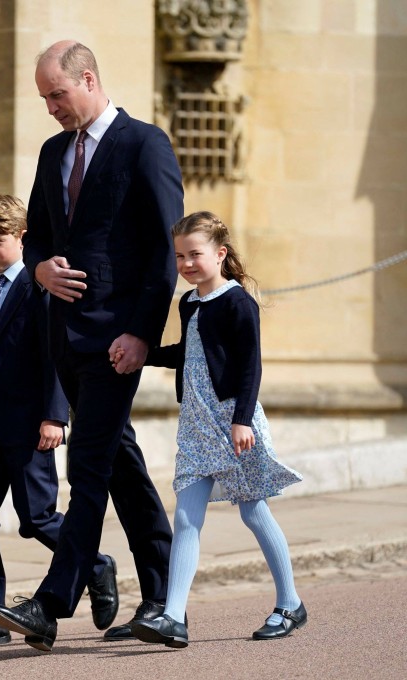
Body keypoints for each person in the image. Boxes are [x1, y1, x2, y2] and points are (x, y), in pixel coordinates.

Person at [0, 40, 181, 651]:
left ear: (88, 80)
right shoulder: (51, 152)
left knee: (88, 465)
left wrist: (142, 334)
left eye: (56, 95)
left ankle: (50, 603)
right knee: (119, 461)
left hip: (117, 341)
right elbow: (38, 238)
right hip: (63, 340)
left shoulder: (144, 144)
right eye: (43, 97)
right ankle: (164, 595)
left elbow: (162, 250)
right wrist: (38, 270)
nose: (49, 108)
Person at [127, 211, 306, 648]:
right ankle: (173, 617)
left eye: (196, 254)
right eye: (180, 257)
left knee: (253, 512)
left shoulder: (237, 302)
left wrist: (242, 419)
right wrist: (143, 352)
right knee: (186, 517)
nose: (187, 264)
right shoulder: (189, 303)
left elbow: (250, 366)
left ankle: (290, 604)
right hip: (196, 423)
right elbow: (190, 355)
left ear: (220, 254)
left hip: (232, 422)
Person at [0, 194, 117, 651]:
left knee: (37, 518)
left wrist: (54, 416)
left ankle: (96, 564)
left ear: (22, 238)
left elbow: (54, 358)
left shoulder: (41, 292)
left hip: (31, 427)